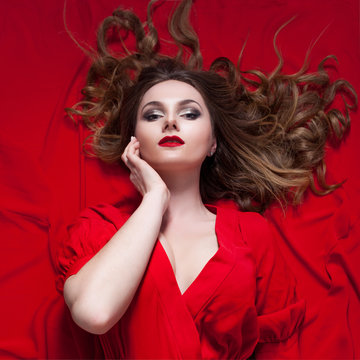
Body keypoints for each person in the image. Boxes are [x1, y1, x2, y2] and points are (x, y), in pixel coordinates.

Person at [56, 0, 357, 358]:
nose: (170, 122)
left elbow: (281, 350)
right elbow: (94, 312)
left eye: (189, 113)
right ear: (132, 143)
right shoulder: (97, 229)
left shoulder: (252, 236)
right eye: (153, 115)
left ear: (212, 142)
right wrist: (154, 197)